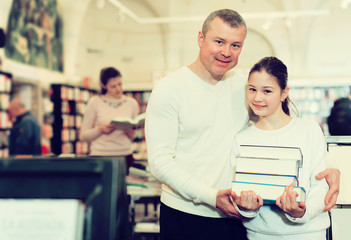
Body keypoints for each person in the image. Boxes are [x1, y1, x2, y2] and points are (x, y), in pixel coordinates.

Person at [145, 9, 340, 240]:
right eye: (219, 42)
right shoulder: (169, 89)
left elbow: (279, 133)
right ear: (200, 39)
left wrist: (335, 168)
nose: (226, 52)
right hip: (185, 214)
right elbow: (159, 162)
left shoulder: (244, 88)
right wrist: (210, 196)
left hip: (237, 217)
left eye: (236, 45)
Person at [231, 56, 330, 239]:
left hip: (308, 234)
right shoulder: (241, 139)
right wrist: (246, 209)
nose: (257, 97)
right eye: (252, 89)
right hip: (260, 235)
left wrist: (302, 212)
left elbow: (320, 185)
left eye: (267, 91)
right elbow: (237, 191)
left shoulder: (309, 130)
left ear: (284, 93)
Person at [80, 67, 139, 171]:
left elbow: (133, 135)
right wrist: (100, 129)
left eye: (120, 84)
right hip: (101, 156)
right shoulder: (95, 102)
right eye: (113, 86)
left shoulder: (132, 103)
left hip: (125, 156)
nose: (118, 89)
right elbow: (83, 136)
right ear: (104, 86)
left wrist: (130, 132)